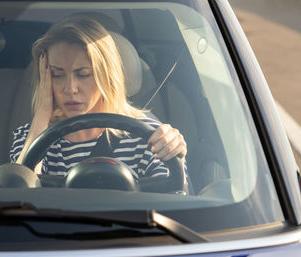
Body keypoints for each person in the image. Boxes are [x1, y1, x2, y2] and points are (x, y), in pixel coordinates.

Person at [10, 16, 187, 181]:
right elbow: (20, 196)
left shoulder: (149, 136)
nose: (71, 89)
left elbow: (173, 200)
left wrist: (173, 153)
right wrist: (42, 113)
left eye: (83, 74)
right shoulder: (31, 137)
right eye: (57, 75)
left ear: (106, 76)